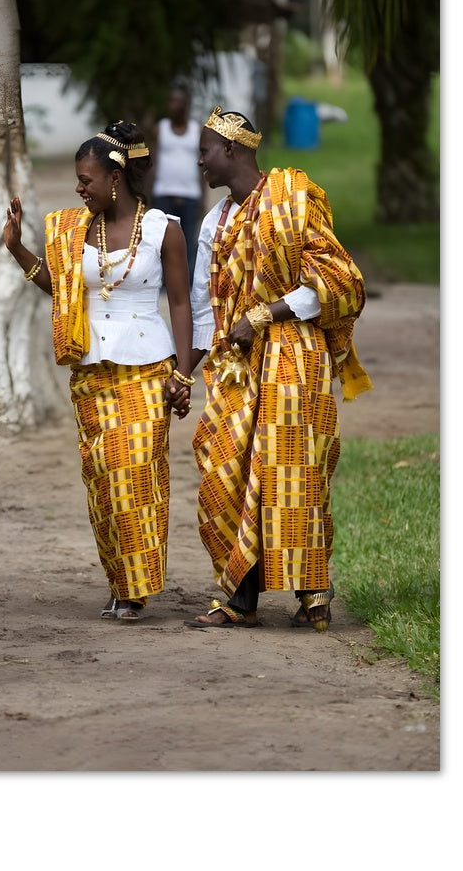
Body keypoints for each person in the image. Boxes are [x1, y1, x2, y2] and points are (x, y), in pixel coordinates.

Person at [183, 106, 373, 632]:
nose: (198, 161)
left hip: (294, 356)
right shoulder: (214, 221)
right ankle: (239, 599)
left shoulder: (292, 200)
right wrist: (183, 373)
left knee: (293, 474)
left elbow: (338, 281)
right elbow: (204, 309)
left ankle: (313, 595)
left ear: (232, 152)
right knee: (224, 474)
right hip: (236, 365)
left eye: (204, 151)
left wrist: (266, 313)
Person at [3, 120, 194, 623]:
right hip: (91, 372)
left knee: (135, 475)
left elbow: (180, 305)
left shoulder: (163, 230)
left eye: (86, 180)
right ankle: (118, 582)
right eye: (77, 180)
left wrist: (184, 372)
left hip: (148, 368)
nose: (78, 188)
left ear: (115, 178)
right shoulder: (72, 228)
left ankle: (136, 590)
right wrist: (19, 249)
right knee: (102, 478)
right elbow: (63, 290)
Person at [150, 85, 203, 285]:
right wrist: (147, 194)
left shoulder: (196, 130)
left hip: (190, 194)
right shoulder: (160, 128)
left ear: (186, 104)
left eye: (178, 101)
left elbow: (201, 165)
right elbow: (152, 163)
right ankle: (163, 282)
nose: (173, 105)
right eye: (170, 101)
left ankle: (186, 282)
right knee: (162, 241)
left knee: (188, 241)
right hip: (163, 192)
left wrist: (202, 197)